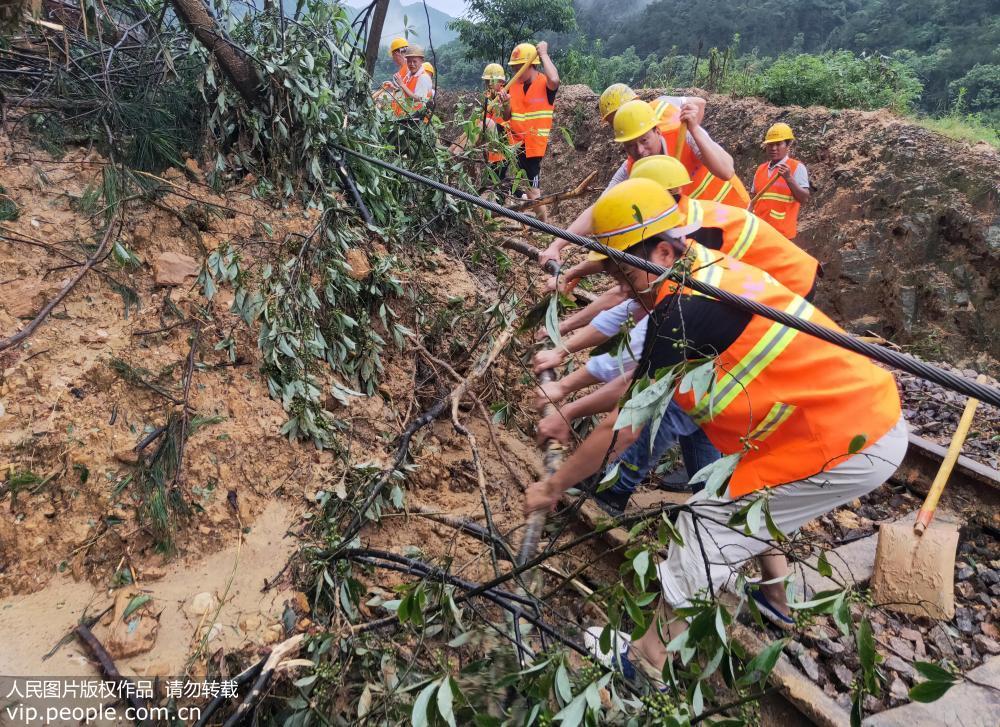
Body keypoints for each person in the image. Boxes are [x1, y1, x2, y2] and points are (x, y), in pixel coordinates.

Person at [525, 178, 907, 683]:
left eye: (621, 269)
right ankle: (727, 621)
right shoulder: (697, 269)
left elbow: (625, 423)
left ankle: (644, 666)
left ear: (661, 250)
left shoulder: (685, 309)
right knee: (735, 513)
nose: (618, 284)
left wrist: (553, 485)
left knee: (708, 526)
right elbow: (637, 375)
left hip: (850, 438)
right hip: (844, 418)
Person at [552, 156, 820, 303]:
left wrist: (575, 271)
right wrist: (576, 271)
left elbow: (634, 268)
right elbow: (633, 262)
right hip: (773, 275)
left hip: (790, 281)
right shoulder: (679, 216)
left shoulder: (684, 230)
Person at [538, 95, 747, 267]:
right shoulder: (632, 168)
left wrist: (695, 129)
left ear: (657, 131)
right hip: (699, 231)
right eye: (630, 146)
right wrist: (557, 245)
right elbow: (600, 208)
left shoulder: (685, 134)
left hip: (734, 219)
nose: (639, 150)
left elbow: (727, 170)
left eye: (644, 140)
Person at [504, 41, 559, 220]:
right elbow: (506, 116)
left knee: (534, 191)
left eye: (520, 67)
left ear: (531, 65)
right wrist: (505, 103)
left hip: (534, 147)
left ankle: (545, 227)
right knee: (526, 188)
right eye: (515, 68)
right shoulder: (513, 85)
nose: (516, 72)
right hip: (515, 144)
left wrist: (543, 54)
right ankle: (538, 222)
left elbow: (555, 80)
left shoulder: (544, 83)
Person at [751, 123, 810, 240]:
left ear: (788, 145)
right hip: (759, 233)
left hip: (782, 235)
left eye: (778, 144)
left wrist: (789, 178)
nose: (773, 148)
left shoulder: (796, 167)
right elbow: (753, 200)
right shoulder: (760, 170)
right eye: (770, 144)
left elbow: (804, 198)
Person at [391, 45, 434, 118]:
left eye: (414, 61)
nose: (411, 64)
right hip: (406, 118)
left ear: (421, 61)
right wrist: (395, 87)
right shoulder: (409, 75)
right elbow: (405, 92)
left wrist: (402, 85)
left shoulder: (423, 77)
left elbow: (419, 99)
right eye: (409, 61)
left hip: (417, 121)